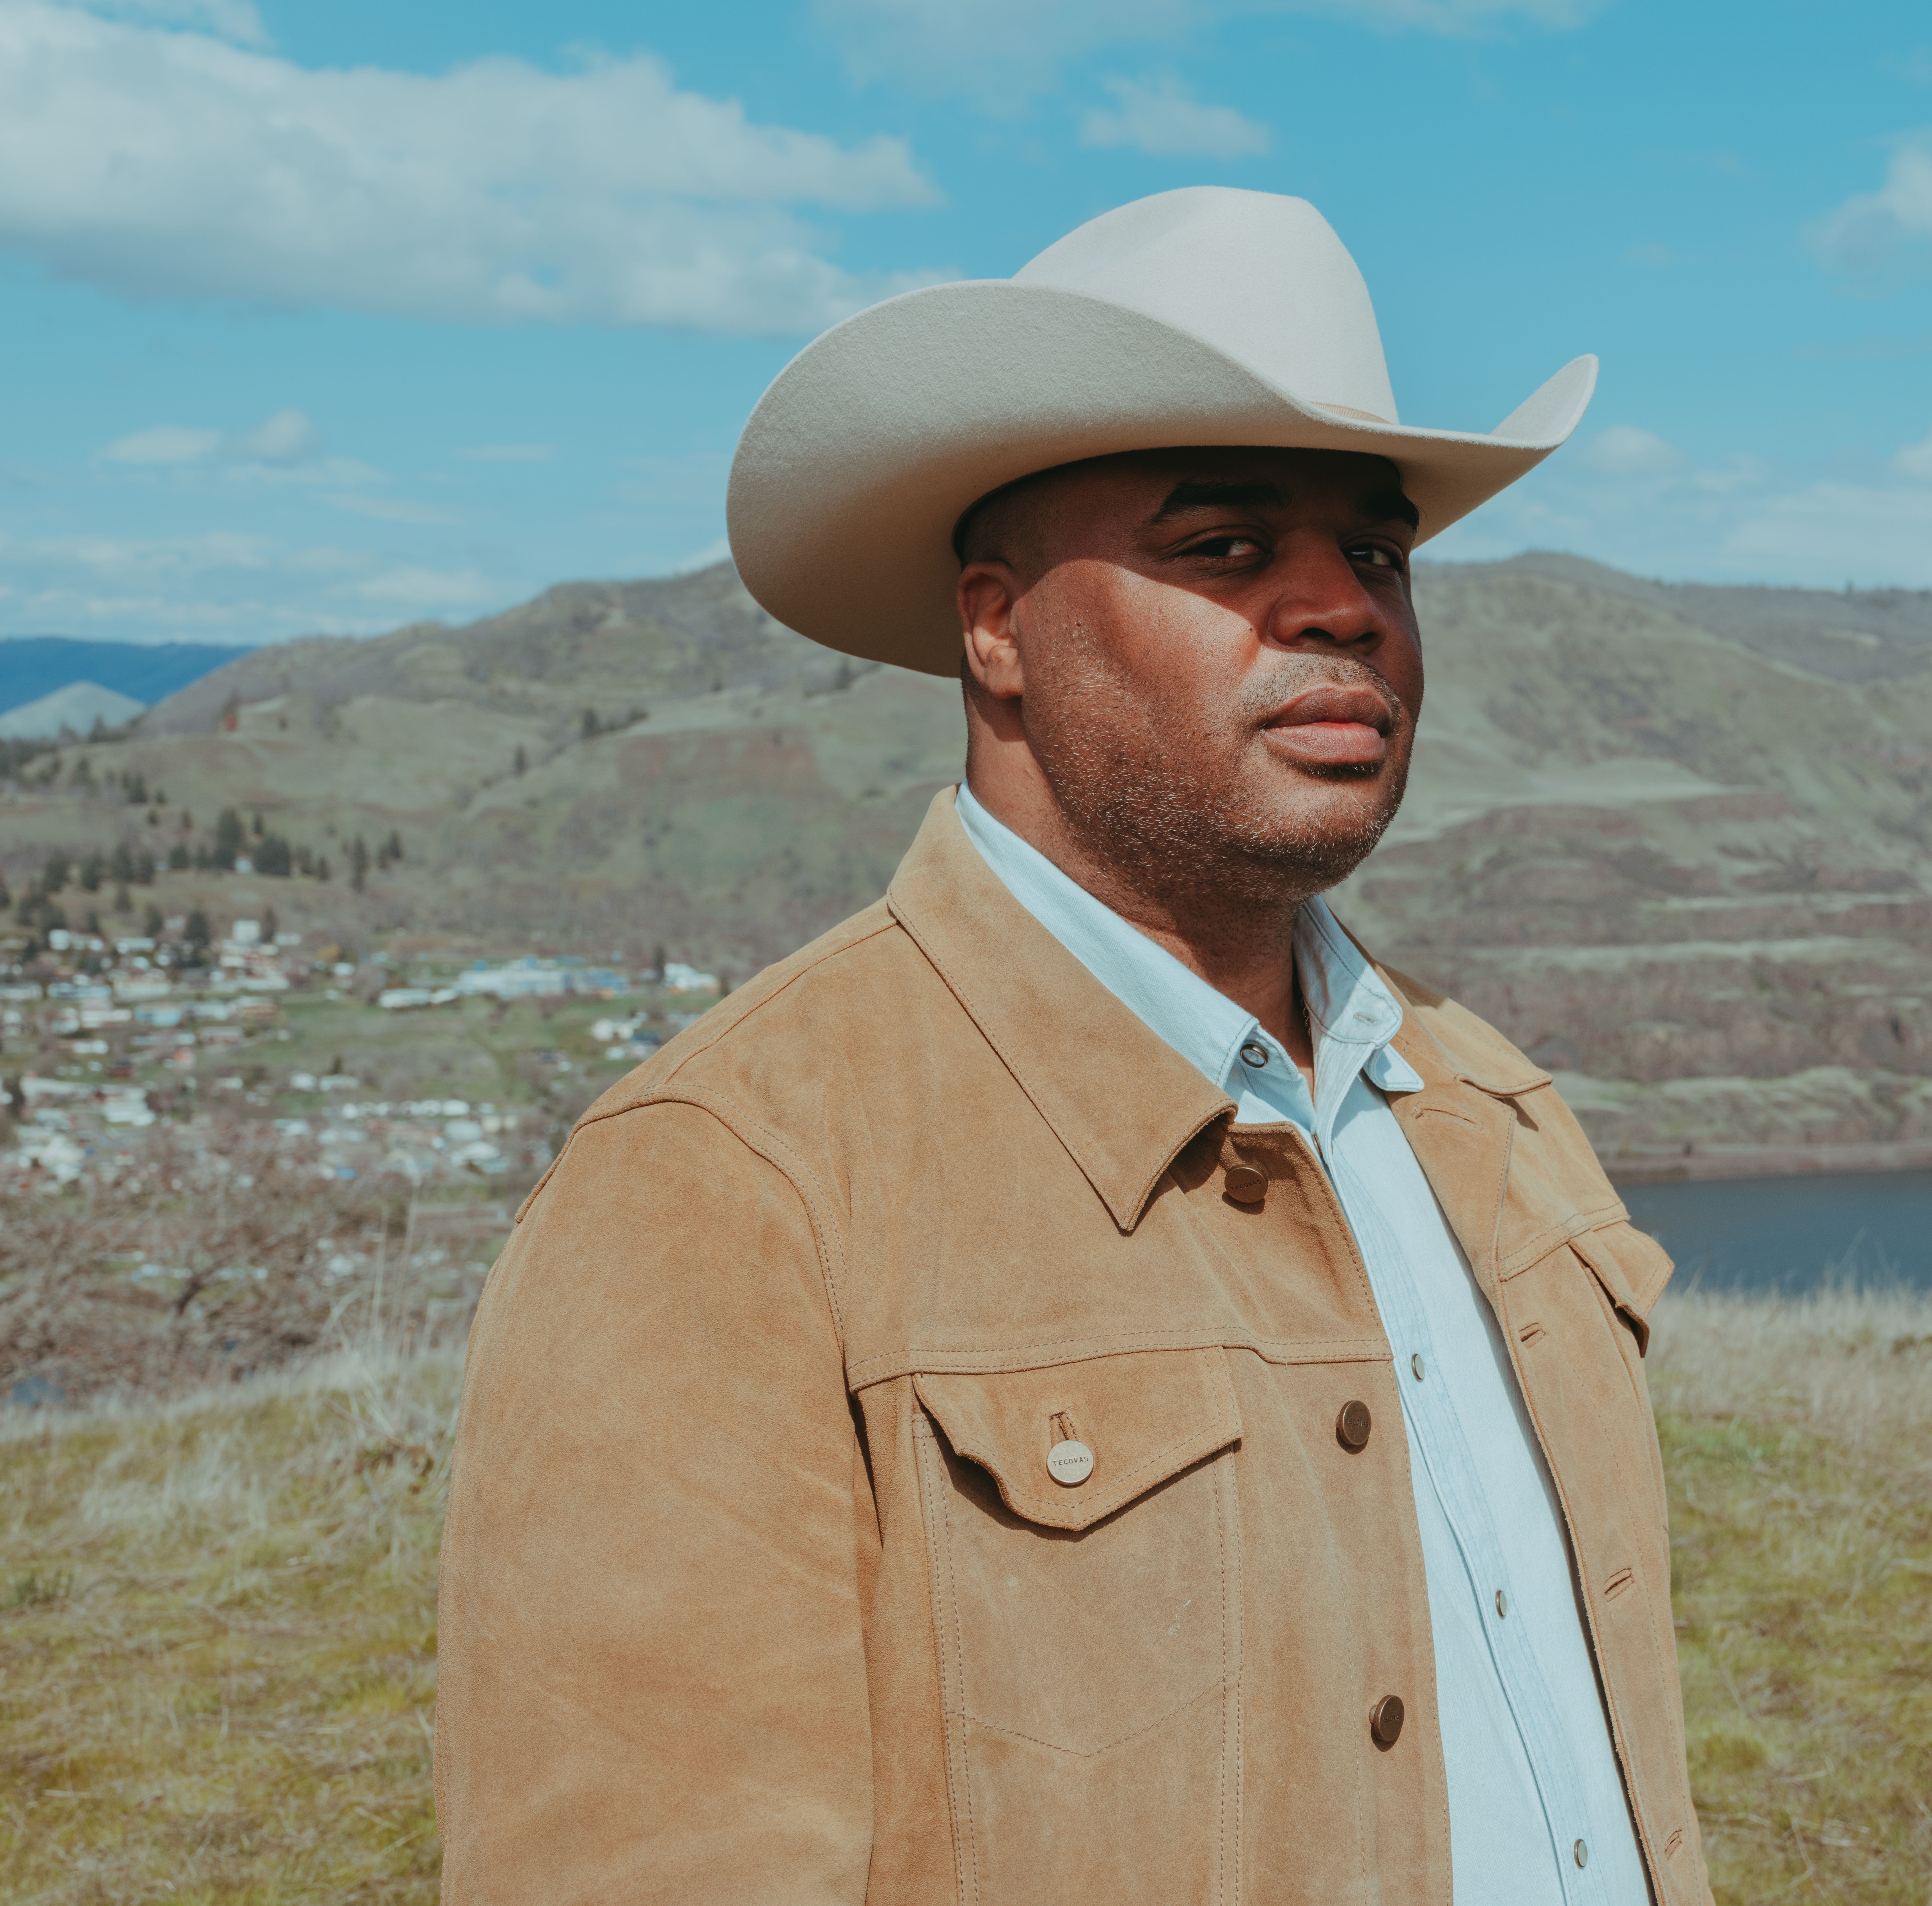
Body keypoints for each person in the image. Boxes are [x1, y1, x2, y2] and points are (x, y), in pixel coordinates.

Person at [435, 187, 1710, 1906]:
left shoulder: (1485, 1110)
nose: (1345, 608)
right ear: (993, 628)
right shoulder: (731, 1193)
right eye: (1227, 546)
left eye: (1382, 553)